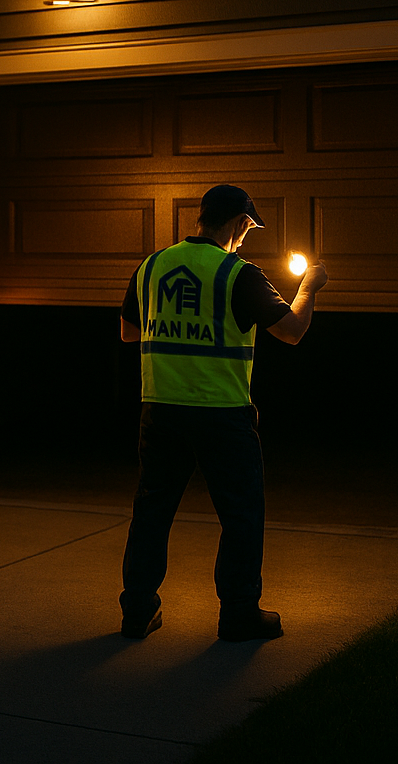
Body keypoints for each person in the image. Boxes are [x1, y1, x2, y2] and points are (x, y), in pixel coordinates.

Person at [116, 184, 328, 642]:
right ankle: (238, 614)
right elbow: (291, 332)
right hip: (221, 414)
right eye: (248, 228)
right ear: (238, 223)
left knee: (152, 512)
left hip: (161, 409)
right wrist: (309, 287)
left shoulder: (152, 266)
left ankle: (137, 611)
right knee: (241, 515)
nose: (245, 237)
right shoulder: (238, 274)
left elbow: (129, 333)